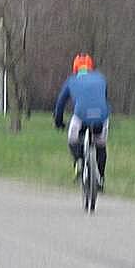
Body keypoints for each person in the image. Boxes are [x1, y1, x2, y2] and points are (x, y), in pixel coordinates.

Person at [54, 53, 111, 187]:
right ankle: (101, 178)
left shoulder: (71, 81)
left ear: (75, 68)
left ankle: (79, 161)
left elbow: (60, 104)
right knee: (100, 145)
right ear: (91, 66)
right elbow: (103, 98)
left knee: (73, 139)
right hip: (101, 115)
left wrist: (58, 121)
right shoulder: (101, 78)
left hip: (81, 115)